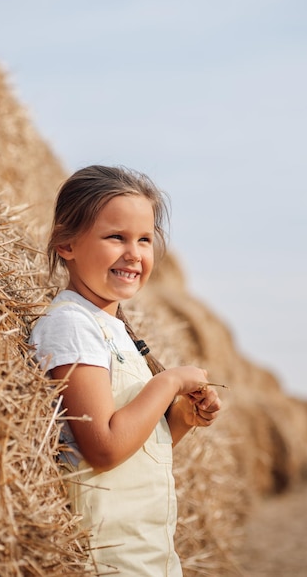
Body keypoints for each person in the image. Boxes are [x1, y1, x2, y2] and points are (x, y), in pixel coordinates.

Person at [30, 165, 222, 576]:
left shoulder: (116, 331)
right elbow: (103, 447)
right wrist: (168, 382)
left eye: (145, 240)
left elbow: (134, 448)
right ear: (66, 243)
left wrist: (179, 421)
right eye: (116, 237)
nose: (134, 253)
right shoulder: (71, 326)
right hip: (107, 558)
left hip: (148, 553)